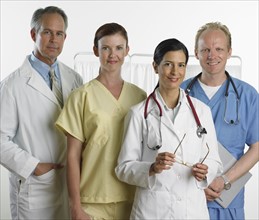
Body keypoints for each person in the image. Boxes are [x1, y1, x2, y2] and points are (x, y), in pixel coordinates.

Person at [115, 38, 222, 219]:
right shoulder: (138, 113)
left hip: (192, 210)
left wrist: (206, 171)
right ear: (155, 66)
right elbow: (123, 168)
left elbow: (215, 162)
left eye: (181, 65)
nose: (175, 72)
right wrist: (151, 168)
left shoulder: (201, 111)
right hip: (152, 211)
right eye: (168, 64)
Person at [55, 22, 146, 220]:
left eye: (119, 48)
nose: (112, 54)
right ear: (96, 51)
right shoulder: (81, 96)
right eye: (106, 48)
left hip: (132, 199)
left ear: (127, 50)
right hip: (92, 201)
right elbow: (72, 156)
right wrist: (76, 207)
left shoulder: (140, 97)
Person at [0, 6, 83, 220]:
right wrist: (34, 167)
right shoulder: (12, 85)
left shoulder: (74, 78)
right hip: (35, 188)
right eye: (47, 32)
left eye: (59, 34)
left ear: (65, 37)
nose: (54, 39)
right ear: (33, 34)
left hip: (70, 184)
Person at [181, 22, 259, 220]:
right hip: (186, 196)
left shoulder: (247, 95)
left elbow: (257, 146)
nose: (211, 55)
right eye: (205, 49)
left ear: (229, 51)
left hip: (228, 200)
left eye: (218, 49)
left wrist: (223, 180)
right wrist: (199, 187)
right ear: (196, 53)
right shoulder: (180, 92)